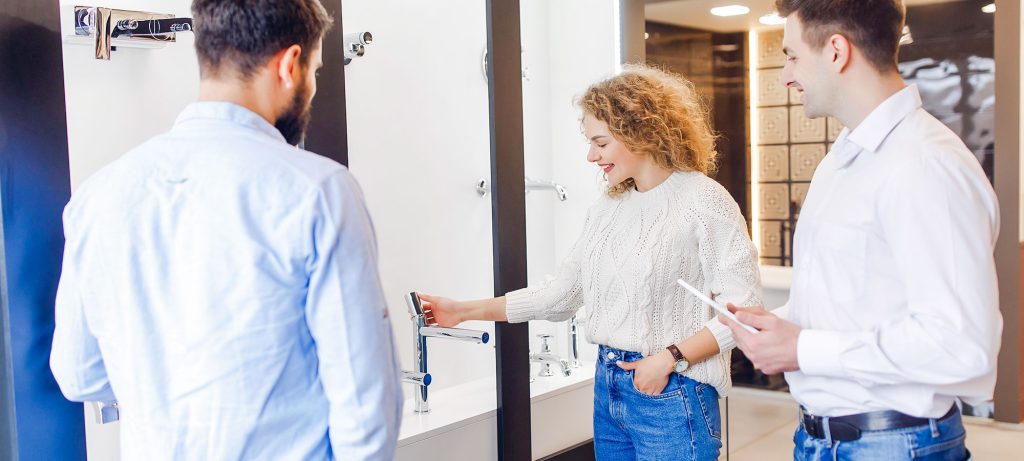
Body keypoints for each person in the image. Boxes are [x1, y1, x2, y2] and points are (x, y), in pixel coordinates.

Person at [49, 1, 402, 459]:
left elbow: (79, 374)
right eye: (316, 70)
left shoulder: (98, 197)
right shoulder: (319, 193)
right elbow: (366, 411)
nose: (313, 89)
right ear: (289, 66)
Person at [421, 64, 762, 460]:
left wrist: (670, 358)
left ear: (641, 131)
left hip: (673, 390)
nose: (590, 155)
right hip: (609, 385)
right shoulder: (608, 207)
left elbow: (744, 312)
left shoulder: (704, 200)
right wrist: (462, 311)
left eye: (600, 142)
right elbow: (560, 294)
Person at [721, 1, 1002, 459]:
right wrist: (779, 324)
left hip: (893, 445)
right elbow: (852, 296)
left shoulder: (923, 164)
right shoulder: (843, 158)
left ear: (836, 51)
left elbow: (960, 345)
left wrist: (803, 349)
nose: (785, 76)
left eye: (791, 56)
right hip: (820, 437)